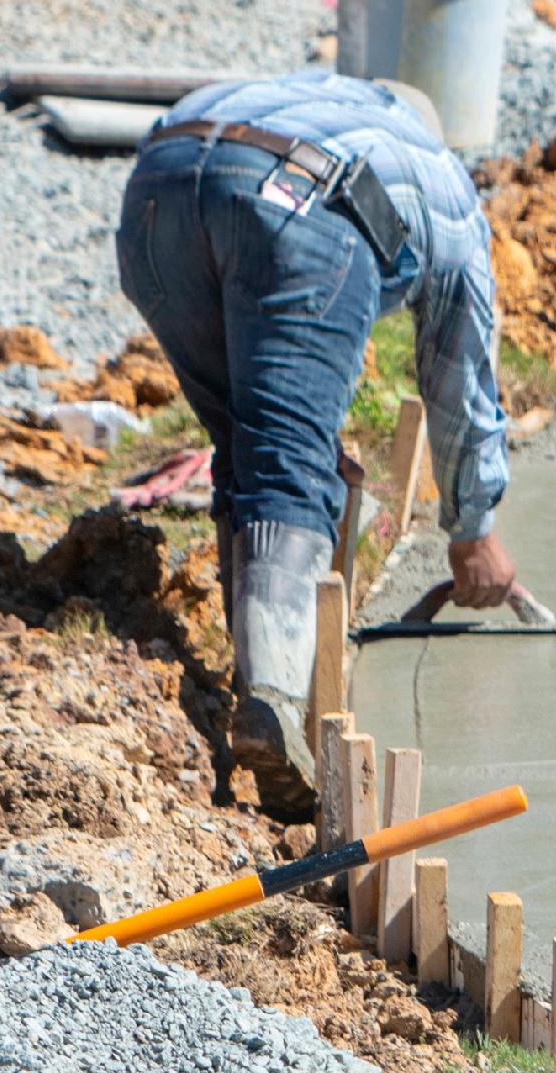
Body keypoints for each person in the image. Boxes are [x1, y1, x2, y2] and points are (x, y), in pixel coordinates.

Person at [114, 70, 518, 819]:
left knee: (249, 439)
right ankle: (271, 700)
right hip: (299, 199)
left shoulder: (325, 100)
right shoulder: (439, 176)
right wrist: (475, 528)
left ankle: (256, 677)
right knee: (287, 466)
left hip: (158, 187)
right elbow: (460, 371)